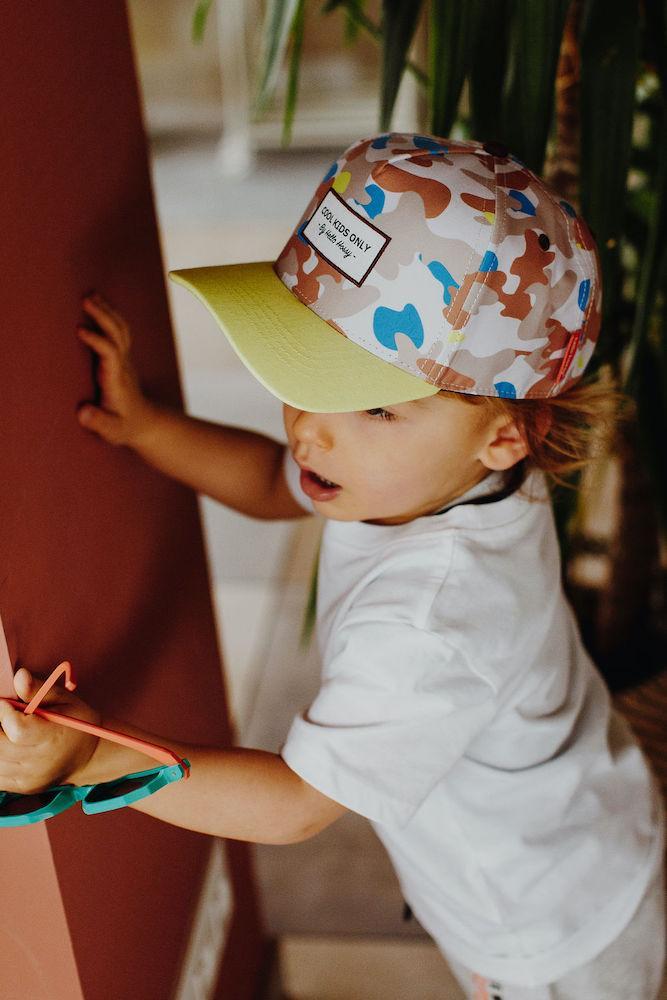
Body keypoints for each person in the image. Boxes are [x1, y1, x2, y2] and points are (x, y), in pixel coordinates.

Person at [0, 133, 664, 999]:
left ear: (504, 433)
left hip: (550, 929)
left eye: (372, 407)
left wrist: (90, 762)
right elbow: (274, 485)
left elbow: (294, 803)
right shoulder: (445, 468)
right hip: (567, 826)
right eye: (301, 371)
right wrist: (147, 426)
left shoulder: (433, 615)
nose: (311, 428)